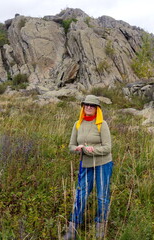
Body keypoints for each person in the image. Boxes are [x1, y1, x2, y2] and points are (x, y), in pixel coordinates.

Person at [64, 95, 113, 240]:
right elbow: (71, 146)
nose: (89, 107)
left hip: (103, 164)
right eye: (86, 105)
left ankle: (100, 227)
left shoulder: (102, 124)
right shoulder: (77, 124)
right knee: (81, 195)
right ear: (83, 107)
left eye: (92, 105)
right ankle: (72, 229)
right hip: (85, 164)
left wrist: (92, 150)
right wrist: (78, 149)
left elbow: (108, 148)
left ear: (97, 108)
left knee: (102, 196)